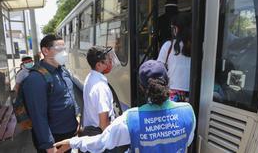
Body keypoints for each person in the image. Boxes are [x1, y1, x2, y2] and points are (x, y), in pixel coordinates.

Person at [54, 60, 196, 153]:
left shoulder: (130, 119)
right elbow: (187, 142)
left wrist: (73, 142)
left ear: (141, 87)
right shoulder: (187, 111)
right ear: (167, 81)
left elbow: (101, 142)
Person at [22, 34, 81, 153]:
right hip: (54, 137)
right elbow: (38, 116)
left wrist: (77, 115)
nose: (64, 53)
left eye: (64, 49)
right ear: (45, 51)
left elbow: (70, 94)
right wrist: (48, 145)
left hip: (68, 132)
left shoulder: (62, 70)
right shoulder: (36, 78)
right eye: (59, 49)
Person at [81, 46, 116, 136]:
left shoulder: (90, 77)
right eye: (108, 60)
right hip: (100, 136)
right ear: (99, 65)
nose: (110, 62)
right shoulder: (101, 87)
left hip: (91, 130)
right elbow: (104, 124)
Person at [157, 13, 192, 102]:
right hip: (192, 92)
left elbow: (158, 69)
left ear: (176, 28)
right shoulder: (195, 46)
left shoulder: (168, 45)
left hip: (173, 91)